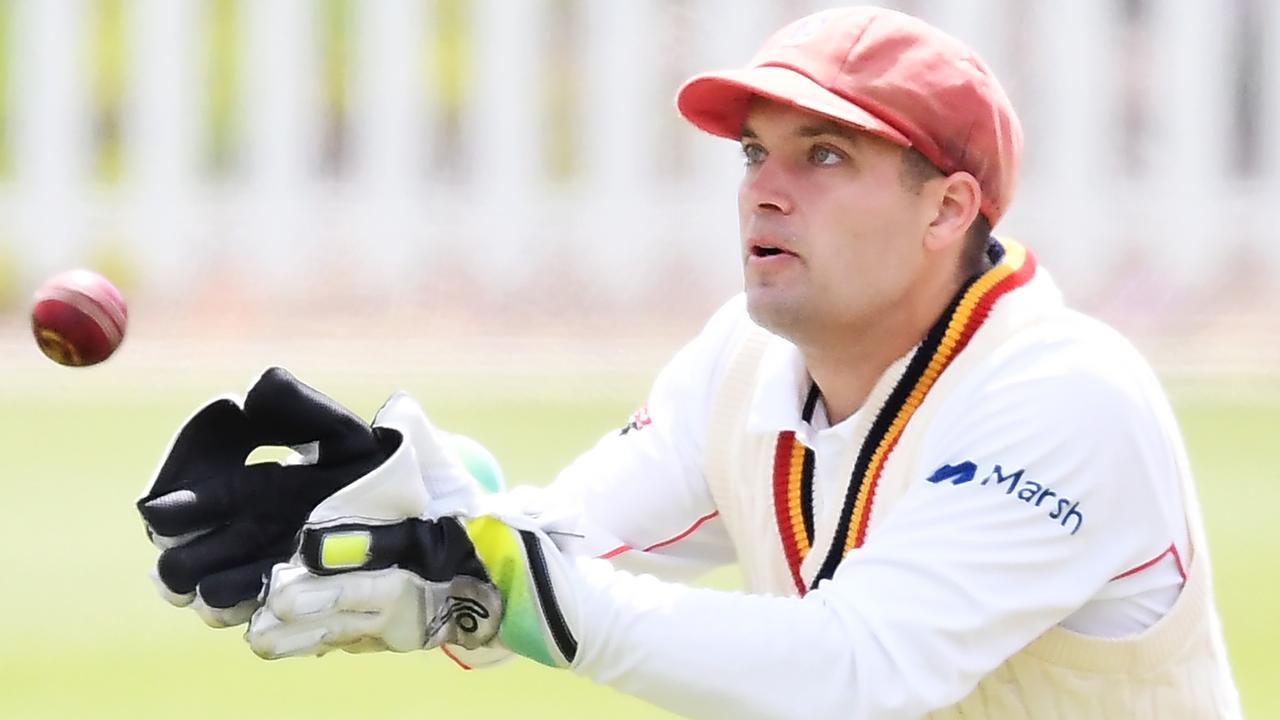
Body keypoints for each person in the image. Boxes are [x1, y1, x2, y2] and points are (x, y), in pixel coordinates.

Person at [138, 7, 1243, 719]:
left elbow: (855, 674)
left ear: (946, 206)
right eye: (756, 152)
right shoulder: (740, 363)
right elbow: (564, 547)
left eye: (823, 156)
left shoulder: (1063, 398)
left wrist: (504, 577)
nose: (763, 188)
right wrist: (433, 527)